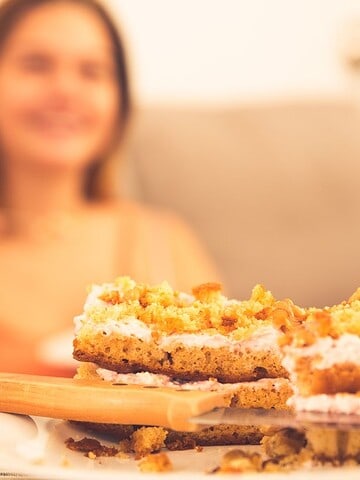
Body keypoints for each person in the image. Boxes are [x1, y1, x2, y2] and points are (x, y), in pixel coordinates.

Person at [0, 0, 221, 375]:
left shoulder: (163, 241)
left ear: (120, 102)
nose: (65, 89)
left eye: (92, 71)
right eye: (36, 64)